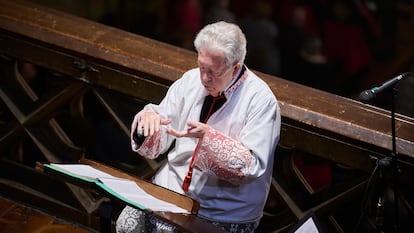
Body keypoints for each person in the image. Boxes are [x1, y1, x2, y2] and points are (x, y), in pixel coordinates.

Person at [116, 21, 281, 233]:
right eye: (202, 67)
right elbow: (163, 121)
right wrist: (148, 123)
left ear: (236, 67)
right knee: (126, 226)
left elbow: (253, 166)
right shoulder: (191, 80)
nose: (204, 78)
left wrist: (208, 139)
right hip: (170, 189)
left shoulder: (261, 100)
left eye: (213, 72)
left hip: (222, 211)